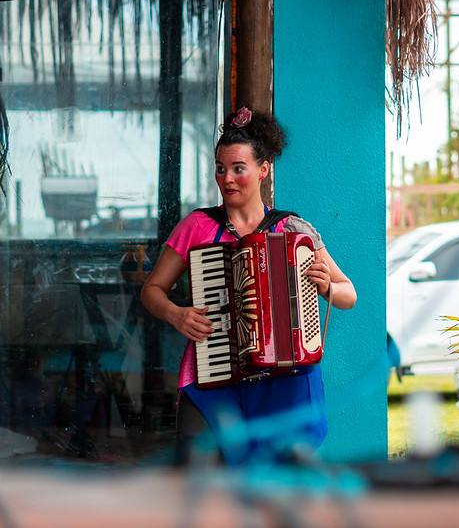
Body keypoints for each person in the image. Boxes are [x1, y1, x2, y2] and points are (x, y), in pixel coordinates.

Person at [141, 106, 356, 466]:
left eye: (238, 169)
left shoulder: (291, 229)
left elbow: (348, 293)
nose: (227, 179)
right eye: (221, 169)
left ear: (263, 170)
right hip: (212, 377)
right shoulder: (197, 226)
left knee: (274, 489)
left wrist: (326, 287)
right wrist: (176, 315)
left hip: (282, 383)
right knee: (195, 475)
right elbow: (152, 290)